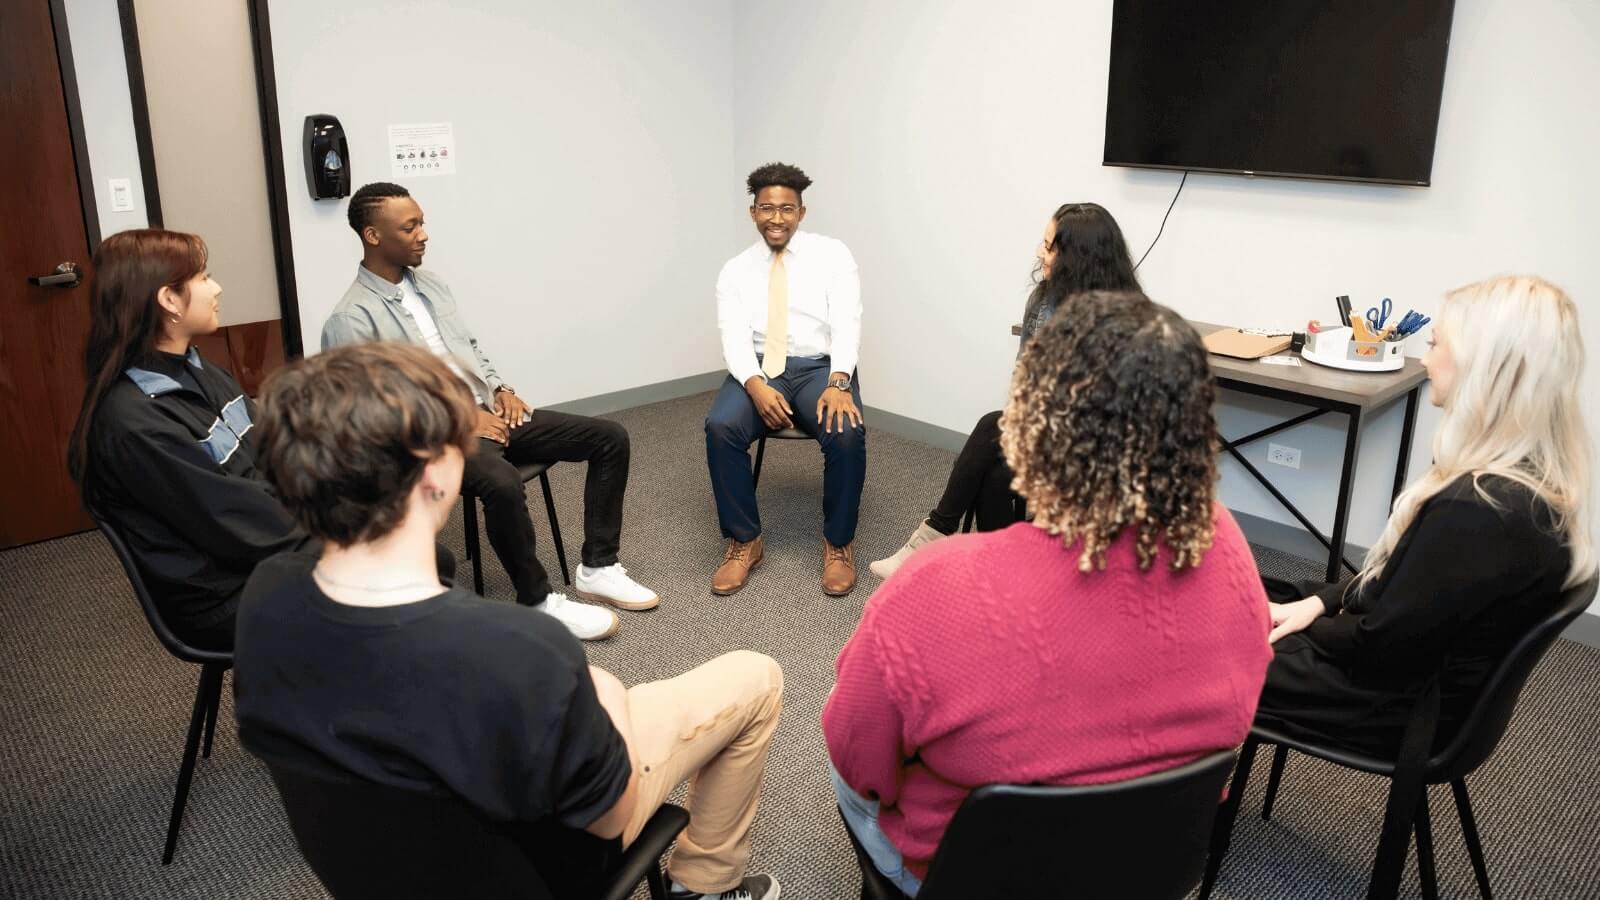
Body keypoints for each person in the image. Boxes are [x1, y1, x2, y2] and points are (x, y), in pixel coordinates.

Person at [233, 342, 784, 900]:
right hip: (549, 864)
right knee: (756, 677)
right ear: (437, 475)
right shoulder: (519, 651)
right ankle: (707, 886)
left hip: (389, 870)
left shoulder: (265, 598)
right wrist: (607, 696)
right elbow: (609, 817)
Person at [823, 292, 1272, 895]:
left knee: (841, 745)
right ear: (1192, 427)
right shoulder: (1227, 545)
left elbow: (860, 759)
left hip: (971, 879)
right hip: (1150, 869)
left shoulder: (934, 586)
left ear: (1035, 424)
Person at [1257, 275, 1594, 757]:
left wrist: (1298, 624)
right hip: (1410, 672)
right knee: (1250, 592)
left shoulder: (1479, 511)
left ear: (1486, 367)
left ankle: (1168, 796)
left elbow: (1379, 645)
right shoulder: (1523, 483)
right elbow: (1403, 589)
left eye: (1436, 345)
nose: (1426, 359)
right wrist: (1322, 602)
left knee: (1194, 642)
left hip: (1394, 704)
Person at [323, 181, 656, 641]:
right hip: (431, 438)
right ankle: (536, 601)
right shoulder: (351, 319)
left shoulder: (431, 286)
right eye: (411, 226)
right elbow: (369, 415)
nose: (424, 234)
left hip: (485, 413)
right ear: (373, 236)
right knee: (500, 482)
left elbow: (470, 348)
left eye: (422, 222)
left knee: (609, 437)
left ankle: (597, 567)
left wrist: (501, 388)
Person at [66, 229, 307, 651]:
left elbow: (271, 449)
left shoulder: (196, 367)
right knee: (412, 573)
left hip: (260, 546)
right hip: (226, 592)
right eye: (204, 278)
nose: (217, 288)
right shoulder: (134, 422)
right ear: (169, 299)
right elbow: (235, 525)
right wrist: (347, 536)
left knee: (411, 557)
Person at [871, 202, 1140, 577]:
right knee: (996, 470)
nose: (1039, 253)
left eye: (1049, 246)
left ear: (1079, 257)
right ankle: (1001, 574)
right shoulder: (1043, 301)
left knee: (990, 428)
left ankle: (933, 537)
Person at [706, 162, 866, 596]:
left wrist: (839, 383)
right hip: (759, 366)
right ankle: (745, 540)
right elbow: (734, 338)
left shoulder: (834, 255)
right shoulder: (734, 270)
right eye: (767, 208)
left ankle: (838, 544)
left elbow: (847, 324)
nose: (777, 218)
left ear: (802, 211)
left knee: (846, 430)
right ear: (752, 212)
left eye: (787, 209)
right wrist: (755, 385)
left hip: (820, 366)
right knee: (721, 426)